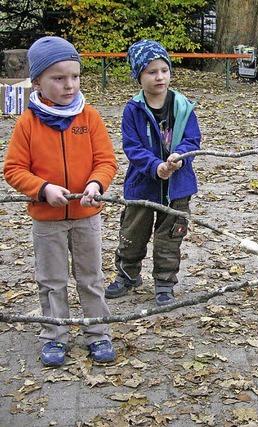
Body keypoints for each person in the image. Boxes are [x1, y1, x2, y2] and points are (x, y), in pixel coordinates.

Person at [3, 36, 118, 367]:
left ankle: (98, 333)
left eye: (75, 76)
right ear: (37, 81)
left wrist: (97, 182)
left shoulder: (89, 117)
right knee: (52, 280)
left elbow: (106, 160)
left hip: (87, 215)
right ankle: (54, 336)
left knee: (91, 277)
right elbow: (13, 169)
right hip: (46, 220)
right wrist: (42, 189)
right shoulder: (28, 122)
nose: (69, 85)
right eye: (58, 78)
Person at [105, 40, 201, 307]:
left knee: (170, 238)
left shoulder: (183, 106)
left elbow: (193, 140)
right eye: (151, 72)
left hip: (178, 187)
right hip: (142, 185)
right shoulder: (133, 109)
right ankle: (127, 275)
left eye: (164, 70)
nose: (160, 76)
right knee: (132, 233)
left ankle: (164, 283)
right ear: (139, 76)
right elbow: (132, 147)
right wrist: (154, 167)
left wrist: (179, 156)